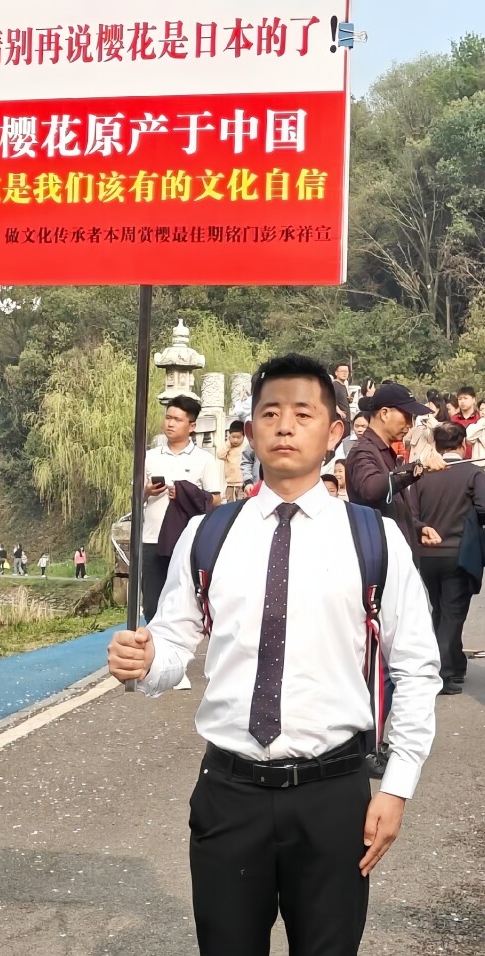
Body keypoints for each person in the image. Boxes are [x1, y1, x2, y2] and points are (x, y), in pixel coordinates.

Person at [108, 354, 441, 956]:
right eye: (270, 413)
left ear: (334, 432)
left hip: (335, 796)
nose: (285, 426)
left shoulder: (374, 538)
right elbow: (175, 645)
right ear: (252, 431)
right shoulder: (208, 533)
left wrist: (397, 786)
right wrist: (144, 660)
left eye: (303, 413)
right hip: (229, 793)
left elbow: (414, 666)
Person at [411, 422, 485, 695]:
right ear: (463, 443)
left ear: (435, 444)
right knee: (452, 614)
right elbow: (483, 508)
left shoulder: (421, 477)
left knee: (440, 611)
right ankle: (442, 673)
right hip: (458, 553)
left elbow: (412, 514)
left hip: (427, 554)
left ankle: (456, 663)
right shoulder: (472, 473)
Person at [346, 383, 448, 561]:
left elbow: (390, 506)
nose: (410, 424)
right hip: (381, 559)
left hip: (397, 555)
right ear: (384, 413)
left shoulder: (384, 451)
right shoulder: (363, 451)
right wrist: (418, 467)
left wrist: (415, 528)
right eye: (406, 416)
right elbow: (371, 489)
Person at [143, 396, 221, 624]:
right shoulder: (149, 457)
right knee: (152, 605)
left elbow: (216, 500)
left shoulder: (204, 460)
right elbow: (134, 496)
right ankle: (154, 654)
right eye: (168, 418)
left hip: (187, 541)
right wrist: (147, 490)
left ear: (192, 426)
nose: (170, 424)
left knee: (183, 602)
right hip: (152, 539)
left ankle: (178, 655)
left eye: (177, 419)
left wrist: (186, 494)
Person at [217, 421, 246, 502]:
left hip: (241, 484)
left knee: (241, 504)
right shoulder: (228, 447)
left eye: (238, 437)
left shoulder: (245, 448)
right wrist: (228, 444)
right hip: (229, 483)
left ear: (244, 436)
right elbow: (220, 455)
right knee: (229, 504)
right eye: (233, 437)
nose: (235, 440)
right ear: (229, 436)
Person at [450, 386, 479, 460]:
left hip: (477, 459)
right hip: (457, 460)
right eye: (460, 399)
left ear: (473, 399)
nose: (462, 401)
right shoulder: (453, 419)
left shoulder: (480, 419)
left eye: (465, 398)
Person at [332, 362, 352, 436]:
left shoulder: (343, 385)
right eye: (342, 371)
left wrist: (349, 400)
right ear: (336, 373)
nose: (345, 373)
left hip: (346, 419)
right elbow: (332, 399)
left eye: (346, 371)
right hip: (340, 419)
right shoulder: (335, 385)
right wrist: (339, 411)